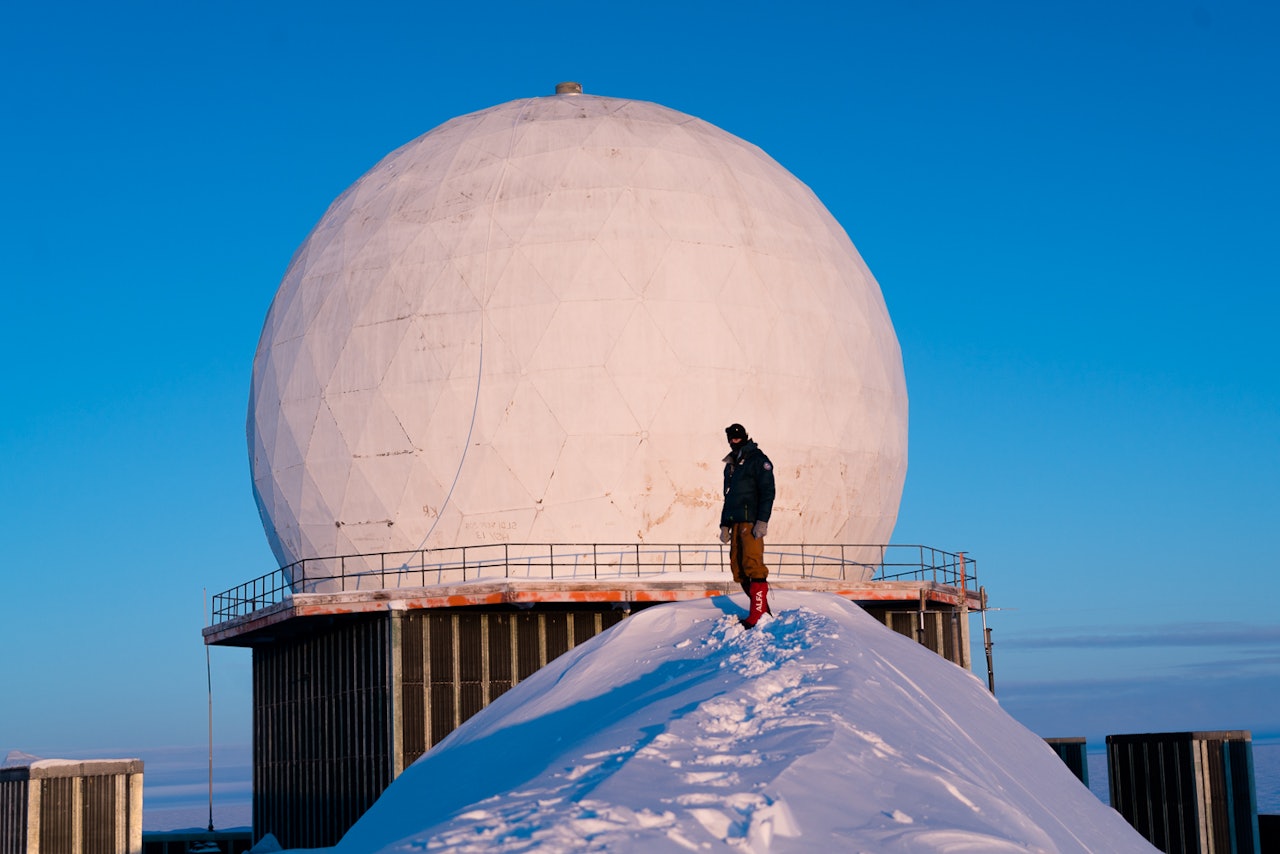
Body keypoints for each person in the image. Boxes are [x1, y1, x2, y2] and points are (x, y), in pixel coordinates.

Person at [718, 423, 776, 628]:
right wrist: (724, 525)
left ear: (745, 436)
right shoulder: (732, 465)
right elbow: (729, 498)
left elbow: (768, 491)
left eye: (737, 437)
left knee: (754, 566)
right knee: (739, 569)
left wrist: (762, 521)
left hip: (750, 521)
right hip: (735, 522)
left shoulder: (757, 460)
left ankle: (758, 614)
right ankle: (761, 609)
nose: (734, 440)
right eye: (731, 438)